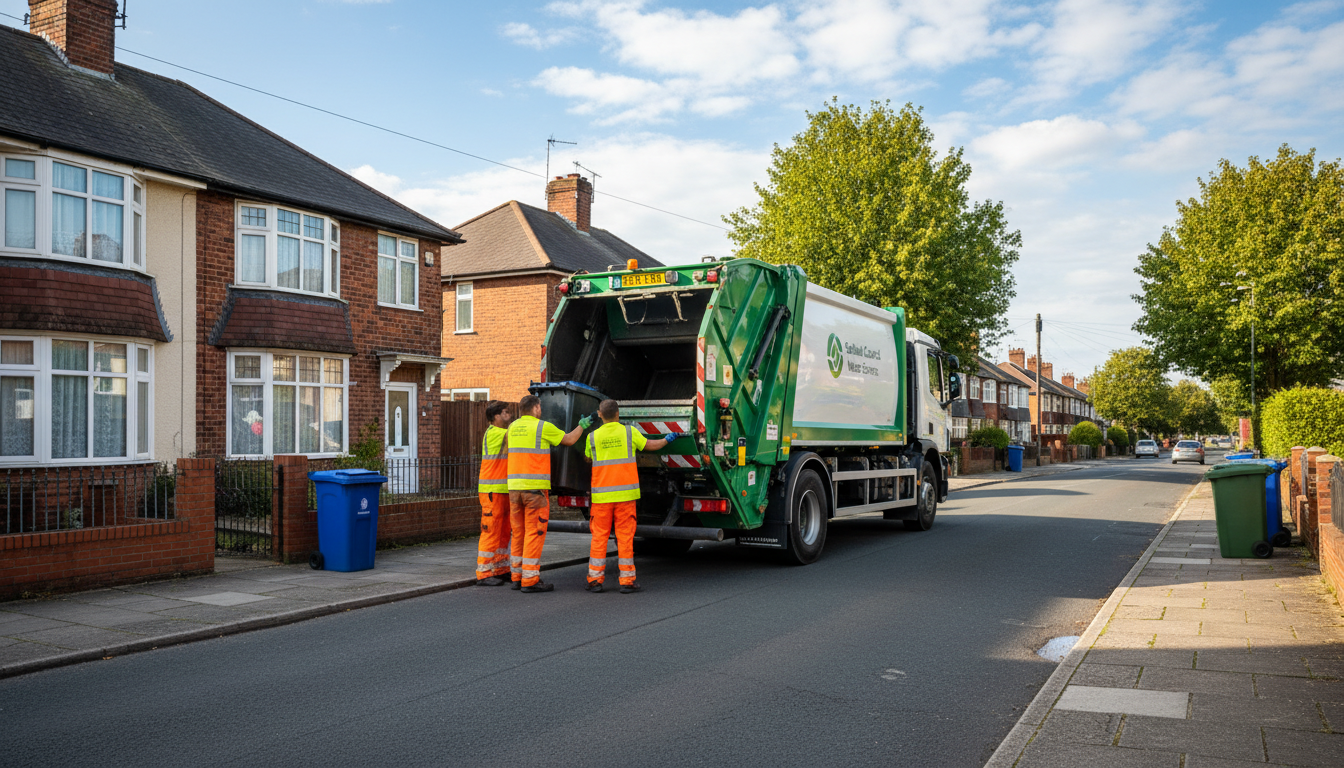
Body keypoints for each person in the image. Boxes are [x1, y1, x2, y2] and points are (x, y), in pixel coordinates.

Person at [582, 399, 684, 594]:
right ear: (618, 414)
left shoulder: (592, 437)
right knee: (625, 537)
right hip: (625, 496)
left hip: (602, 497)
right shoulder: (629, 432)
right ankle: (627, 580)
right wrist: (667, 439)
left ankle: (595, 580)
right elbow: (650, 445)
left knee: (599, 538)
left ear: (600, 414)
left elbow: (588, 457)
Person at [507, 394, 586, 593]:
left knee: (518, 533)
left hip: (514, 489)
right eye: (540, 407)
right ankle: (531, 579)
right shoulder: (542, 427)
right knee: (535, 533)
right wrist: (583, 425)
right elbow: (568, 440)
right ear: (535, 409)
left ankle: (516, 576)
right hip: (535, 491)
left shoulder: (512, 427)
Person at [474, 401, 513, 586]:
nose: (509, 415)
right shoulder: (495, 433)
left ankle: (501, 567)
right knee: (490, 531)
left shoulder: (501, 433)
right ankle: (484, 572)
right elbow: (516, 435)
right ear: (495, 417)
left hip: (503, 489)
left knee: (504, 531)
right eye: (505, 413)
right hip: (492, 490)